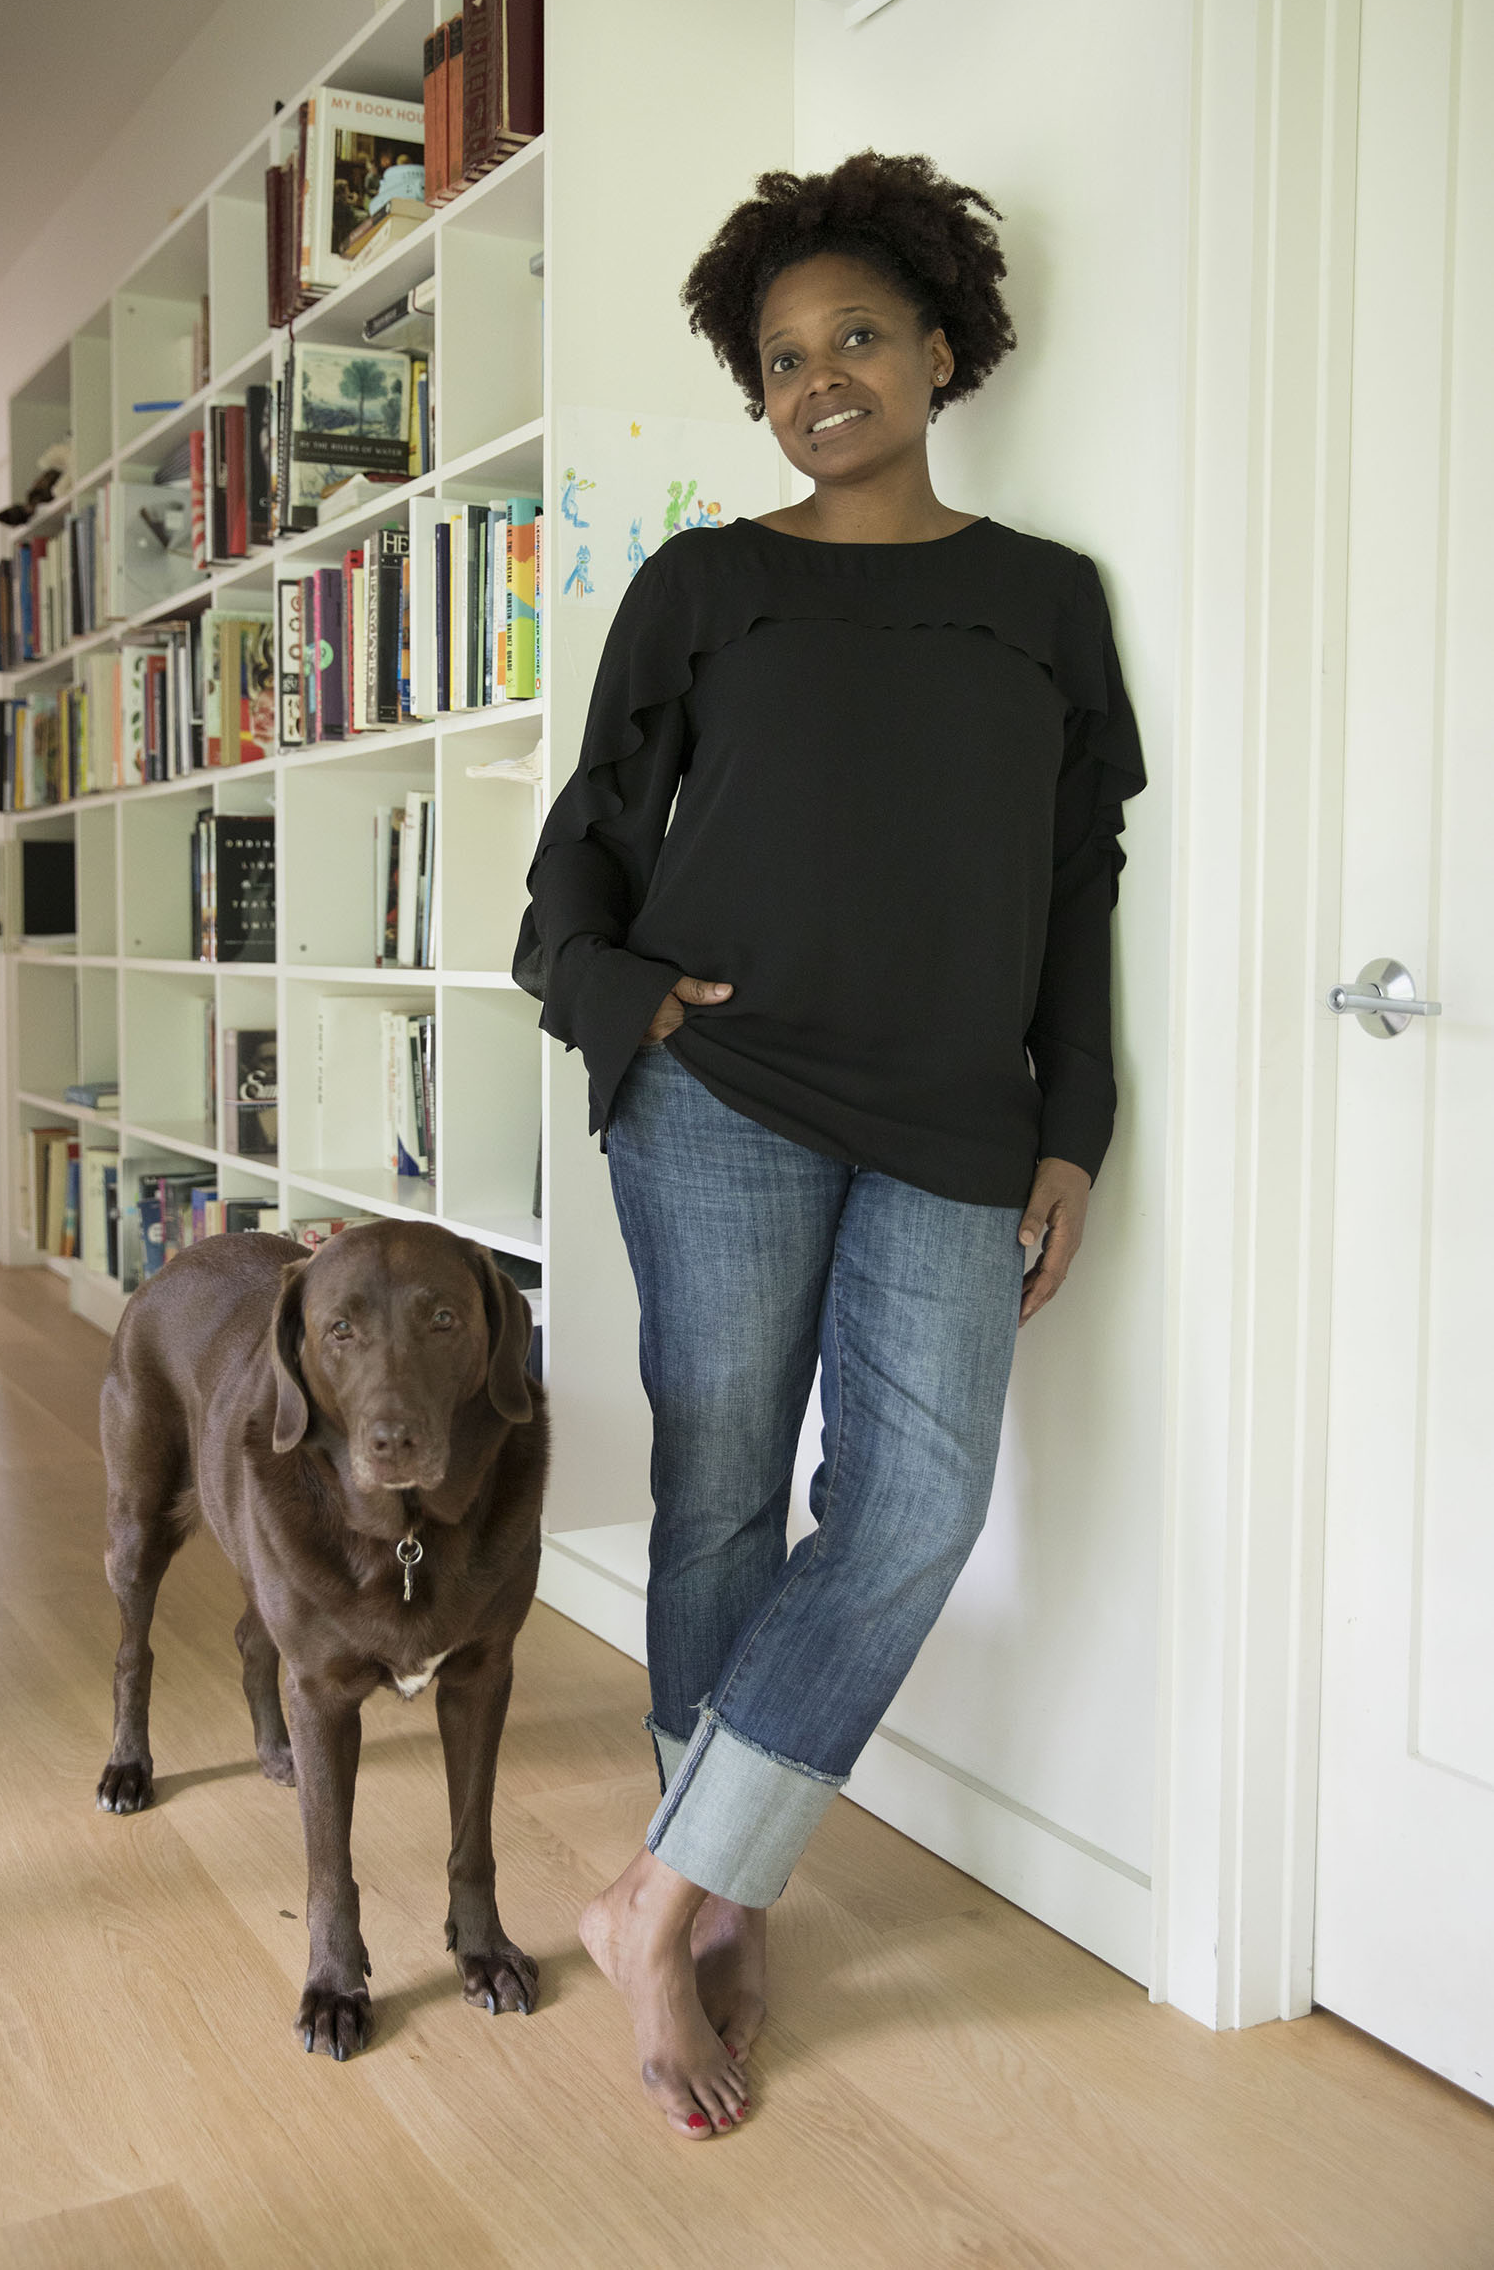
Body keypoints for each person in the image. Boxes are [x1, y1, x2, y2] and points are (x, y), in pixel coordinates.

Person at [510, 149, 1148, 2142]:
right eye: (782, 357)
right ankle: (712, 1907)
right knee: (718, 1495)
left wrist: (1072, 1122)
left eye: (857, 335)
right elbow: (589, 846)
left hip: (954, 1109)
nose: (819, 379)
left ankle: (675, 1884)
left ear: (939, 348)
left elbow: (1071, 886)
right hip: (724, 1092)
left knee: (914, 1502)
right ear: (757, 388)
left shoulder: (1043, 602)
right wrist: (628, 1004)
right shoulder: (709, 583)